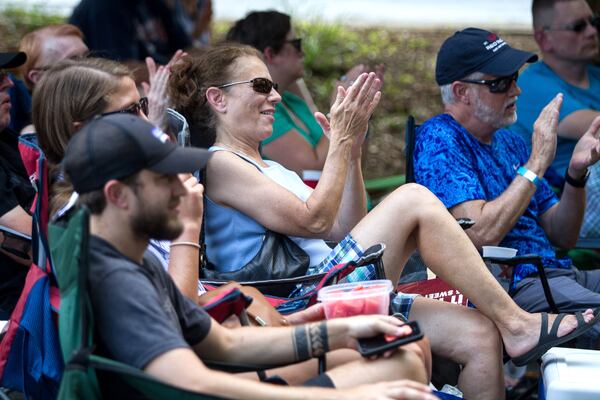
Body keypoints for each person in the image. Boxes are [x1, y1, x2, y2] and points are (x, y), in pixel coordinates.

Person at [168, 44, 598, 398]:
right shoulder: (220, 163)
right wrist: (336, 144)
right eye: (262, 86)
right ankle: (519, 324)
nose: (276, 97)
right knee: (412, 198)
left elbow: (345, 227)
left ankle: (510, 326)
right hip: (297, 299)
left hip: (330, 281)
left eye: (275, 86)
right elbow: (314, 220)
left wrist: (351, 150)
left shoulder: (272, 167)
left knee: (478, 335)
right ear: (217, 98)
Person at [62, 113, 436, 399]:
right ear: (117, 196)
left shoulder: (132, 258)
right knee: (398, 368)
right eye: (164, 179)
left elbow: (223, 343)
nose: (185, 189)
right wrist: (346, 395)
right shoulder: (115, 279)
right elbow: (192, 383)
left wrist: (341, 331)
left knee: (399, 357)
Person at [413, 28, 600, 343]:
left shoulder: (510, 142)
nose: (516, 91)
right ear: (461, 92)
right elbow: (479, 234)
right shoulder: (440, 139)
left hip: (556, 272)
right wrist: (537, 162)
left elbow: (562, 234)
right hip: (516, 286)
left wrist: (575, 173)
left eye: (515, 77)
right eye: (499, 83)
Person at [226, 11, 383, 176]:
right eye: (296, 44)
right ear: (271, 54)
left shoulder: (291, 100)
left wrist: (361, 109)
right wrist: (341, 110)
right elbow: (314, 171)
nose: (303, 53)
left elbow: (353, 163)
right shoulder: (264, 114)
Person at [510, 0, 600, 237]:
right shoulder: (531, 85)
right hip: (565, 202)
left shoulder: (596, 76)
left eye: (594, 22)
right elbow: (594, 128)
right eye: (578, 26)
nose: (592, 31)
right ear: (543, 38)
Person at [0, 52, 35, 319]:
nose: (9, 83)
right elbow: (36, 245)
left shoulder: (5, 138)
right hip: (13, 315)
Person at [8, 24, 90, 135]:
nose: (90, 67)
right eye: (74, 61)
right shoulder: (37, 138)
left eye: (88, 57)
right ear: (38, 77)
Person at [69, 0, 191, 65]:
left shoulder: (155, 4)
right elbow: (119, 68)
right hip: (100, 94)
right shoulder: (104, 5)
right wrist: (173, 73)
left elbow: (185, 48)